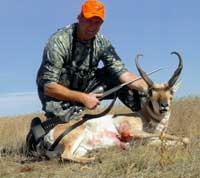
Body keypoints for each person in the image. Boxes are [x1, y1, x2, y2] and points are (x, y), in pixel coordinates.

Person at [26, 0, 147, 155]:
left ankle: (145, 126)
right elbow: (49, 87)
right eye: (89, 20)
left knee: (130, 85)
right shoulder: (59, 41)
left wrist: (149, 87)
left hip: (85, 84)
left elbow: (123, 74)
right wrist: (83, 98)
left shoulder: (102, 42)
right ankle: (35, 134)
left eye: (98, 22)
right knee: (65, 127)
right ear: (80, 18)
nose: (93, 26)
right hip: (57, 91)